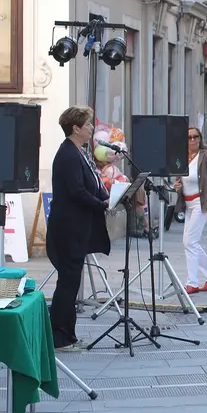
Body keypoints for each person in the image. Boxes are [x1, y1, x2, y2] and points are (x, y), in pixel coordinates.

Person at [46, 106, 111, 351]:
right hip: (68, 229)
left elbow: (91, 183)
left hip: (77, 228)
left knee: (71, 283)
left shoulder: (79, 151)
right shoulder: (68, 154)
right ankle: (59, 338)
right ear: (75, 128)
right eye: (88, 125)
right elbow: (76, 191)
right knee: (67, 283)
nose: (91, 128)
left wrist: (106, 196)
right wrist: (101, 205)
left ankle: (69, 336)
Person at [174, 126, 207, 294]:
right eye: (189, 137)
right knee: (189, 242)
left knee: (190, 242)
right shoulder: (182, 157)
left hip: (202, 203)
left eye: (195, 137)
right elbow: (179, 179)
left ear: (200, 138)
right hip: (188, 204)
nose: (192, 140)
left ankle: (192, 282)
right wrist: (176, 186)